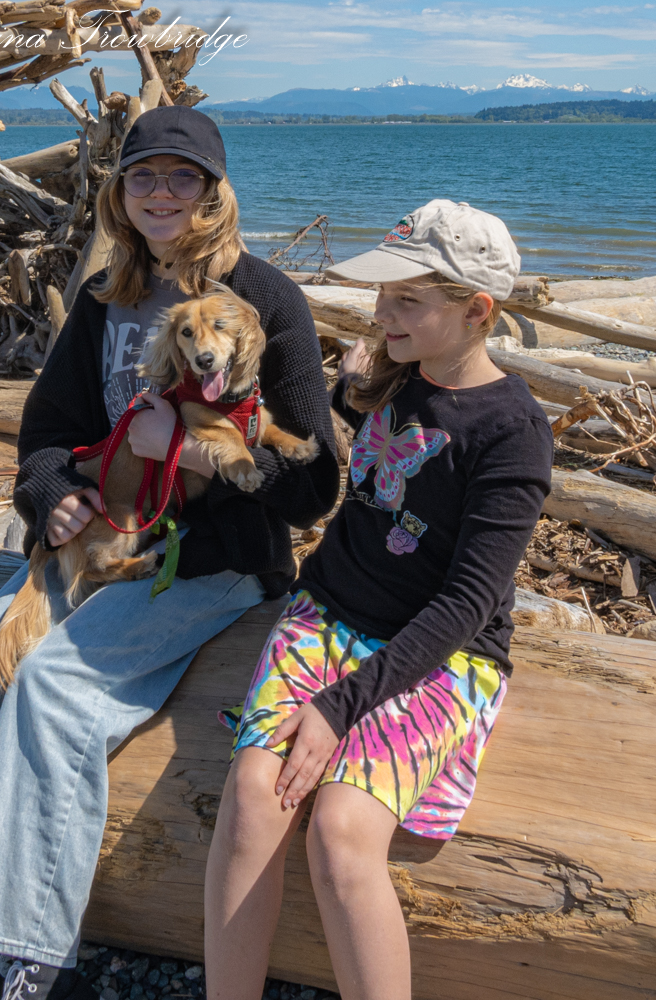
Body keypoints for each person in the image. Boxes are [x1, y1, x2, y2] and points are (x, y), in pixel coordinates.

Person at [0, 106, 339, 1000]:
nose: (161, 192)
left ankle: (22, 961)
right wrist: (50, 496)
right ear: (118, 193)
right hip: (100, 536)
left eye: (183, 176)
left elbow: (315, 488)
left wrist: (186, 452)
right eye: (143, 175)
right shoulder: (108, 296)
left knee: (54, 688)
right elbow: (46, 431)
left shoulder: (268, 300)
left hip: (216, 559)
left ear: (215, 192)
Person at [204, 200, 554, 1000]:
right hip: (325, 615)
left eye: (407, 300)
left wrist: (340, 707)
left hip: (439, 651)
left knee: (340, 831)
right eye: (382, 295)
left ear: (477, 311)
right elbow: (362, 428)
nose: (382, 313)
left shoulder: (513, 432)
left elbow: (469, 602)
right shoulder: (393, 376)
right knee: (255, 797)